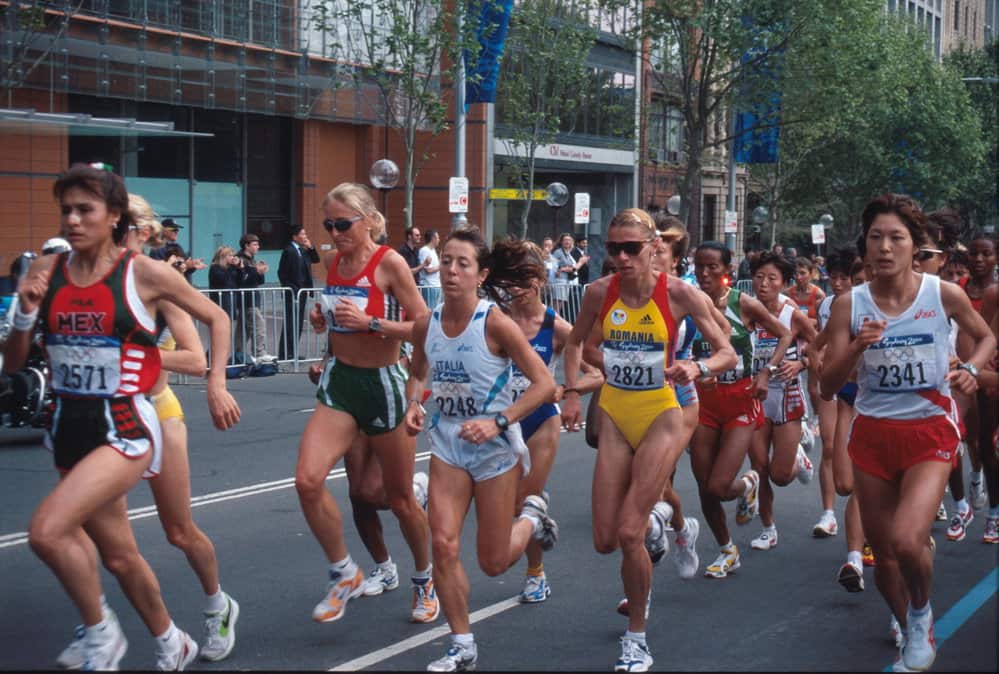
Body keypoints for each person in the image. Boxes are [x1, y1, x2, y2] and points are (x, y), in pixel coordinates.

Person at [4, 163, 240, 670]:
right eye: (65, 209)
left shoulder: (145, 274)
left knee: (50, 530)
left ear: (115, 217)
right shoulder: (45, 270)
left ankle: (110, 628)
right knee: (117, 556)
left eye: (84, 209)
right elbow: (13, 362)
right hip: (69, 427)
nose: (72, 219)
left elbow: (216, 320)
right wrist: (24, 313)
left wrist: (215, 383)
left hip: (131, 424)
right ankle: (168, 639)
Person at [820, 193, 994, 672]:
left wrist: (973, 371)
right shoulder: (847, 305)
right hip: (874, 434)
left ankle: (920, 611)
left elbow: (985, 337)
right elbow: (827, 384)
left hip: (929, 429)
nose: (884, 247)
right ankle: (909, 617)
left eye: (896, 237)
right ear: (865, 245)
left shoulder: (941, 294)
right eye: (875, 237)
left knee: (906, 538)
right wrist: (856, 347)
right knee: (885, 563)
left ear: (915, 246)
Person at [559, 210, 737, 672]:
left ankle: (635, 637)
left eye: (630, 248)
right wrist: (574, 393)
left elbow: (727, 350)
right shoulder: (599, 292)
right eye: (612, 248)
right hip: (617, 411)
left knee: (628, 532)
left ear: (652, 246)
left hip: (662, 412)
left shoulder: (678, 293)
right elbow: (575, 342)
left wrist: (697, 368)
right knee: (603, 540)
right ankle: (667, 521)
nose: (620, 257)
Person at [402, 230, 558, 671]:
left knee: (493, 562)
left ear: (480, 274)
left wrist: (500, 420)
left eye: (462, 264)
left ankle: (531, 518)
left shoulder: (495, 323)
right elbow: (418, 371)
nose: (451, 270)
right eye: (447, 261)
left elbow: (545, 385)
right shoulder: (428, 322)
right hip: (448, 444)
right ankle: (462, 644)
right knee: (444, 544)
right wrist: (416, 402)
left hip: (494, 450)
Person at [300, 182, 436, 626]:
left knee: (397, 500)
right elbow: (338, 321)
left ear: (369, 221)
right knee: (310, 481)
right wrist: (322, 324)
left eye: (343, 224)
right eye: (329, 225)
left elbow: (423, 327)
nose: (335, 233)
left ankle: (424, 580)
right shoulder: (335, 262)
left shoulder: (389, 262)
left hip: (384, 385)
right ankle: (347, 572)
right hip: (341, 383)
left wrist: (373, 322)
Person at [686, 241, 793, 580]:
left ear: (727, 272)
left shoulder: (742, 304)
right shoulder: (686, 302)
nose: (704, 273)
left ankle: (747, 483)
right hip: (703, 401)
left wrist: (766, 371)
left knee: (719, 486)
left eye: (712, 267)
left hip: (741, 401)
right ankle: (726, 550)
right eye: (699, 266)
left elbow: (785, 335)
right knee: (705, 487)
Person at [506, 241, 603, 603]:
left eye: (523, 279)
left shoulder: (556, 325)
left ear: (539, 280)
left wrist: (567, 389)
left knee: (522, 500)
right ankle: (538, 516)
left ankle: (535, 575)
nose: (515, 287)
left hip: (542, 421)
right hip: (504, 420)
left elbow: (598, 374)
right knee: (511, 506)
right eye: (510, 279)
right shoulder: (496, 320)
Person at [747, 252, 818, 551]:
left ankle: (799, 457)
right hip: (755, 396)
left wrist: (801, 364)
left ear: (784, 284)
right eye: (759, 277)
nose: (764, 284)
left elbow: (820, 347)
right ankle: (768, 529)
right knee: (759, 467)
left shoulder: (793, 316)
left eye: (772, 279)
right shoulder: (743, 310)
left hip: (786, 395)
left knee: (780, 475)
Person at [809, 247, 858, 542]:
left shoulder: (867, 304)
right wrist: (817, 364)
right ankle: (828, 514)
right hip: (832, 383)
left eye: (844, 278)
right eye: (833, 278)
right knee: (828, 446)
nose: (838, 284)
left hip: (862, 386)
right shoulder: (826, 305)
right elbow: (817, 342)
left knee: (861, 457)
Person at [278, 224, 320, 361]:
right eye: (302, 234)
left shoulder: (302, 250)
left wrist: (311, 247)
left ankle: (293, 351)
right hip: (293, 293)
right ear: (294, 237)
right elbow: (282, 273)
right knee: (291, 323)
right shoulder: (289, 251)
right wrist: (292, 288)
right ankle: (285, 353)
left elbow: (316, 259)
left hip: (302, 293)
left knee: (298, 323)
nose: (305, 236)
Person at [235, 232, 272, 362]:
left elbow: (257, 281)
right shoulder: (241, 260)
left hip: (251, 298)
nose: (258, 247)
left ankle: (238, 355)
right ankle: (259, 352)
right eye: (255, 244)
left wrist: (261, 272)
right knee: (259, 326)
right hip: (247, 299)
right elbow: (243, 280)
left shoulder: (251, 260)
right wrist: (256, 272)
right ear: (247, 245)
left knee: (243, 329)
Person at [149, 218, 206, 283]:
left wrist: (192, 265)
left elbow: (186, 268)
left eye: (178, 230)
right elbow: (157, 272)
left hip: (179, 286)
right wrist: (176, 265)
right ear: (164, 231)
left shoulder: (177, 247)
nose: (177, 232)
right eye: (174, 229)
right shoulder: (157, 249)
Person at [552, 233, 586, 321]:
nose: (567, 242)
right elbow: (555, 266)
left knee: (560, 305)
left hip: (566, 282)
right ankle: (551, 324)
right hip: (559, 282)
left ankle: (553, 323)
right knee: (556, 306)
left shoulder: (568, 253)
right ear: (561, 242)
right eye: (565, 240)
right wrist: (564, 269)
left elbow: (571, 267)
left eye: (569, 240)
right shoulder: (558, 252)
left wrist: (564, 269)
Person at [209, 245, 242, 320]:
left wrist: (239, 268)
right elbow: (224, 280)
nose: (233, 257)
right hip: (220, 302)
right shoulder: (215, 268)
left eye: (233, 255)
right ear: (223, 257)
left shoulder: (231, 268)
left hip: (231, 300)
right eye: (230, 255)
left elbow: (239, 281)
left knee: (231, 325)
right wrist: (233, 267)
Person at [418, 229, 442, 309]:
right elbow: (428, 270)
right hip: (429, 286)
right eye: (438, 238)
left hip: (436, 285)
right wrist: (441, 266)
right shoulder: (424, 250)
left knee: (436, 310)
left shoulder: (433, 251)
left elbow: (436, 266)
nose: (439, 240)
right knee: (429, 310)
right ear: (433, 238)